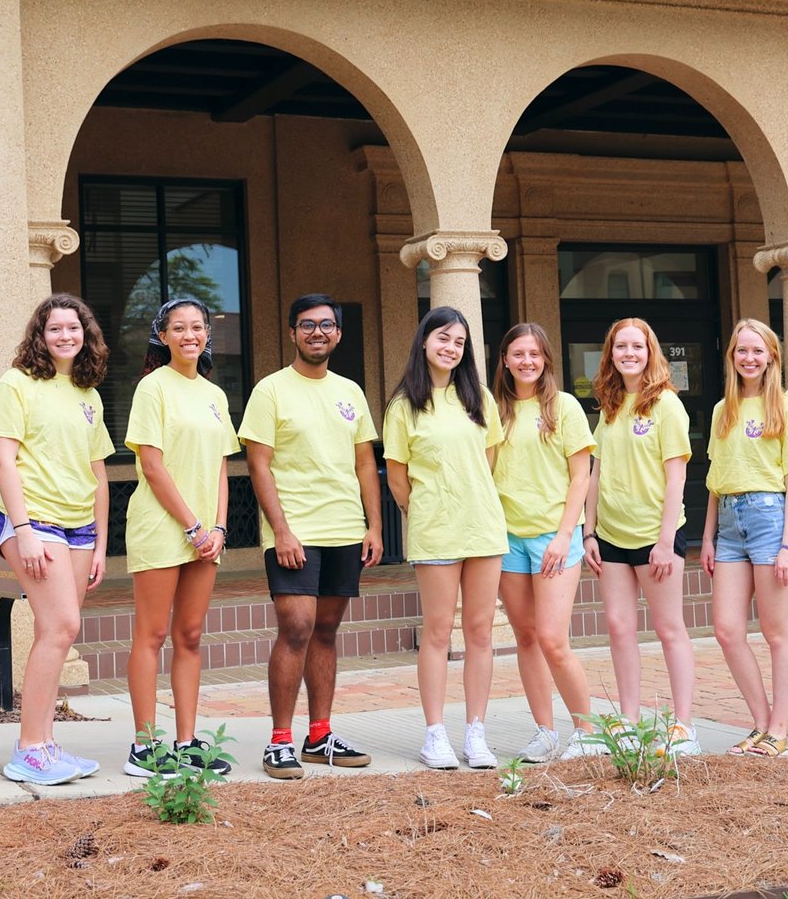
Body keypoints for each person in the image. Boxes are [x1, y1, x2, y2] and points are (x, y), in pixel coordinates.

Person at [240, 294, 383, 778]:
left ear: (338, 334)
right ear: (292, 333)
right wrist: (280, 529)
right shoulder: (270, 390)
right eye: (307, 325)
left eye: (326, 325)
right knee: (296, 627)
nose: (317, 332)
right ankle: (279, 740)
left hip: (344, 527)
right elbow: (257, 463)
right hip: (294, 529)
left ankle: (319, 736)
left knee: (325, 630)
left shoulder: (351, 392)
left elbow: (366, 462)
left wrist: (375, 524)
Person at [0, 293, 114, 786]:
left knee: (56, 632)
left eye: (73, 328)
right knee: (61, 626)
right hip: (34, 521)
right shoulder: (18, 383)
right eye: (55, 328)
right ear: (40, 335)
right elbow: (3, 460)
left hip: (81, 526)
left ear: (86, 336)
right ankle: (29, 749)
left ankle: (45, 743)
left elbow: (98, 474)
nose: (65, 336)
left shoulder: (87, 393)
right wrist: (24, 530)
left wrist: (101, 545)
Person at [384, 306, 507, 770]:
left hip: (483, 528)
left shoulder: (479, 400)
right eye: (442, 338)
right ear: (423, 342)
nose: (450, 348)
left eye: (459, 342)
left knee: (479, 633)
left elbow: (489, 461)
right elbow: (398, 478)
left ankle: (476, 732)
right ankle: (435, 733)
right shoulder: (403, 406)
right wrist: (430, 509)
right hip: (435, 530)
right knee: (437, 632)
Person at [122, 298, 240, 779]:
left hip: (204, 537)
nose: (190, 335)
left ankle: (188, 743)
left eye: (197, 327)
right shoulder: (153, 388)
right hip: (161, 527)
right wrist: (192, 525)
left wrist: (218, 528)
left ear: (207, 335)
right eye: (179, 328)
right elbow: (151, 464)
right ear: (163, 336)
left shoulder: (215, 395)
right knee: (150, 635)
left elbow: (221, 469)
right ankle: (144, 746)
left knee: (190, 636)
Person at [582, 317, 699, 755]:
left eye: (637, 346)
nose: (628, 353)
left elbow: (676, 478)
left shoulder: (666, 405)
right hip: (611, 535)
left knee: (669, 629)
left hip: (656, 537)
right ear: (609, 354)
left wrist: (666, 542)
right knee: (618, 627)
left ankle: (683, 726)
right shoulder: (610, 406)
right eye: (620, 347)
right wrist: (588, 532)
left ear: (650, 352)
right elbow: (595, 473)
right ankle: (629, 720)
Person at [491, 323, 607, 763]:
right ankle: (544, 731)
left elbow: (582, 474)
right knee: (525, 637)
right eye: (518, 353)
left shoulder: (564, 407)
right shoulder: (494, 409)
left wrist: (566, 534)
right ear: (504, 359)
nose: (526, 361)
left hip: (553, 538)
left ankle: (587, 731)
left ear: (546, 361)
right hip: (507, 539)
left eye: (535, 354)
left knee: (553, 639)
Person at [701, 320, 788, 759]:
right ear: (732, 357)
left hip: (770, 520)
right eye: (741, 351)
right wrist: (708, 537)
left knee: (776, 632)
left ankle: (780, 729)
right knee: (727, 629)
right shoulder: (721, 410)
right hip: (729, 523)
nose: (749, 358)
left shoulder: (784, 407)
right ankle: (760, 722)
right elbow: (714, 479)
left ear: (772, 358)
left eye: (757, 351)